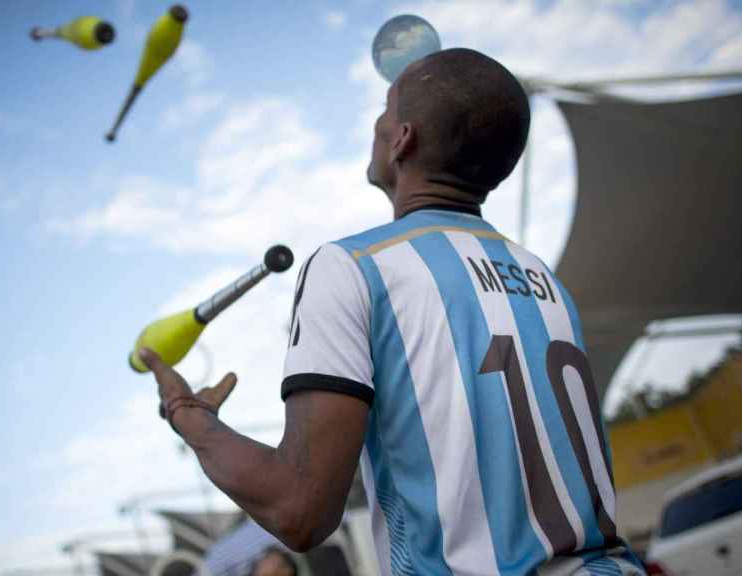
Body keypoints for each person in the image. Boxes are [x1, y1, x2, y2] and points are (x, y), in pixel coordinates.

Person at [140, 48, 646, 576]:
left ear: (402, 138)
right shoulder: (545, 281)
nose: (376, 124)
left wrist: (190, 419)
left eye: (385, 109)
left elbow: (300, 511)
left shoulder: (354, 267)